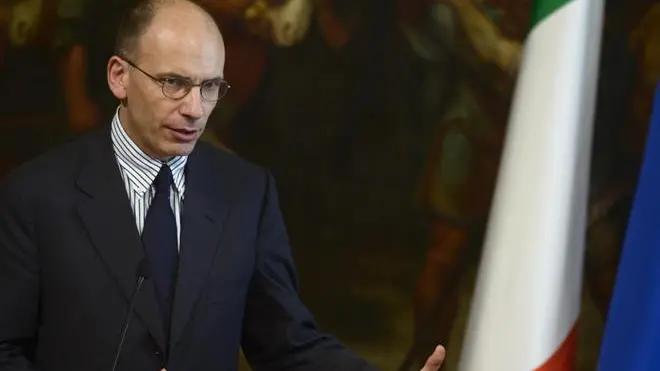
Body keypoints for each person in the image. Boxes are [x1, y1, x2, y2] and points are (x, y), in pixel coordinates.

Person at [0, 0, 446, 370]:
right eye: (174, 83)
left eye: (210, 87)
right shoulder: (35, 196)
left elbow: (287, 344)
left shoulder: (247, 195)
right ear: (120, 76)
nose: (195, 108)